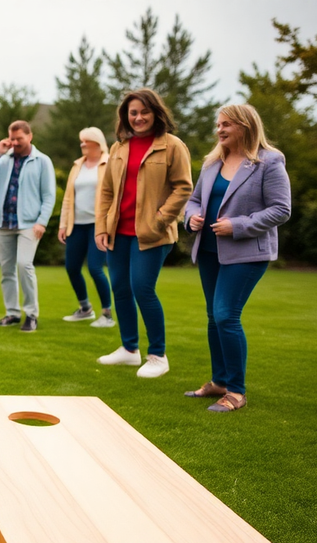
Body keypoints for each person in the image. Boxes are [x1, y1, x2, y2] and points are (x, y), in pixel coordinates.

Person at [182, 104, 291, 412]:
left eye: (227, 124)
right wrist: (191, 218)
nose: (220, 129)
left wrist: (238, 225)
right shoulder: (212, 162)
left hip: (246, 253)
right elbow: (194, 200)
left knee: (226, 315)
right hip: (209, 250)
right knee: (213, 317)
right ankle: (219, 381)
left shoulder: (269, 161)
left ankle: (236, 391)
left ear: (245, 126)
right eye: (219, 124)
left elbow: (281, 209)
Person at [94, 88, 193, 377]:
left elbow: (183, 187)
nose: (138, 117)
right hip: (118, 232)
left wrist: (160, 220)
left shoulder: (173, 146)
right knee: (120, 289)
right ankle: (129, 350)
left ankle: (158, 355)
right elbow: (107, 191)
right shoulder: (118, 147)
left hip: (152, 234)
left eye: (144, 112)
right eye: (133, 113)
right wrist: (102, 227)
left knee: (142, 289)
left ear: (155, 113)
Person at [0, 120, 55, 332]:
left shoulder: (42, 161)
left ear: (30, 136)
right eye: (12, 138)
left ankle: (31, 314)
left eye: (19, 138)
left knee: (24, 265)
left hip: (29, 224)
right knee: (7, 271)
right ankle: (12, 313)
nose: (16, 142)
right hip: (3, 223)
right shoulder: (3, 159)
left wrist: (42, 222)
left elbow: (49, 195)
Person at [58, 127, 114, 328]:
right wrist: (63, 224)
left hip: (98, 226)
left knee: (95, 268)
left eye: (86, 141)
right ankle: (85, 309)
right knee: (72, 268)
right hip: (76, 225)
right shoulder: (77, 165)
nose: (82, 144)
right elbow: (68, 197)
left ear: (97, 143)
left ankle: (107, 314)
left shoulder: (109, 163)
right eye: (81, 141)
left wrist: (108, 225)